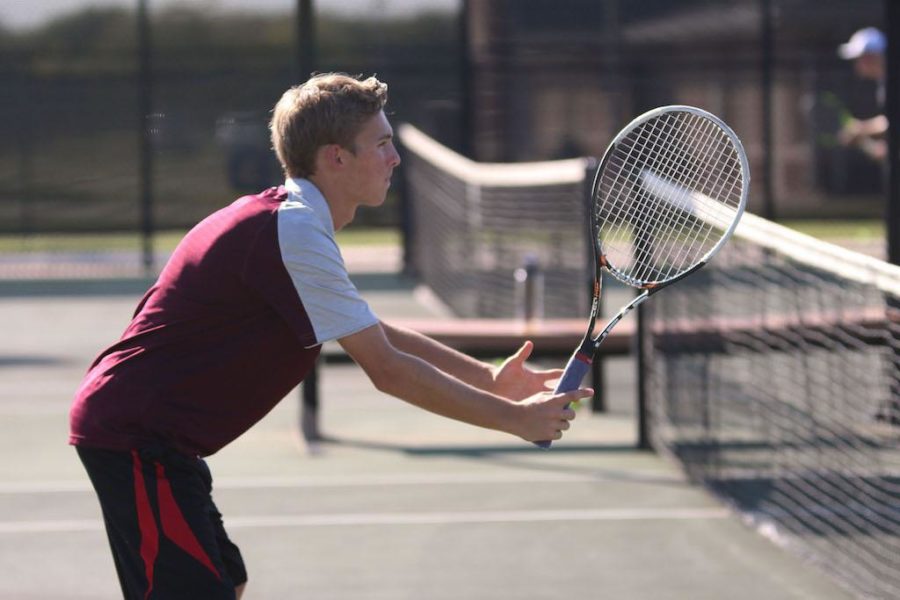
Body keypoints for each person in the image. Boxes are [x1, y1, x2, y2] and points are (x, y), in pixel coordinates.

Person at [69, 73, 590, 599]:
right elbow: (386, 370)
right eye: (382, 145)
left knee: (229, 582)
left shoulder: (292, 223)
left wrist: (489, 379)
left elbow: (372, 332)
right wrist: (514, 420)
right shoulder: (291, 230)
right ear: (335, 158)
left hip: (162, 441)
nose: (395, 158)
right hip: (137, 435)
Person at [837, 26, 888, 161]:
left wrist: (860, 128)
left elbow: (893, 122)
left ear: (873, 57)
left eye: (859, 58)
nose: (857, 65)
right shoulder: (882, 83)